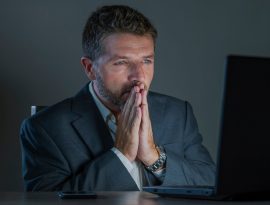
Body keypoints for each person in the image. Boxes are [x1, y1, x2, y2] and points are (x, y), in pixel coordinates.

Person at [19, 5, 215, 191]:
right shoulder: (44, 129)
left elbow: (211, 181)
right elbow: (49, 201)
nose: (138, 76)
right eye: (121, 62)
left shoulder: (178, 114)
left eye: (146, 61)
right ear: (90, 68)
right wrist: (121, 154)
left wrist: (154, 158)